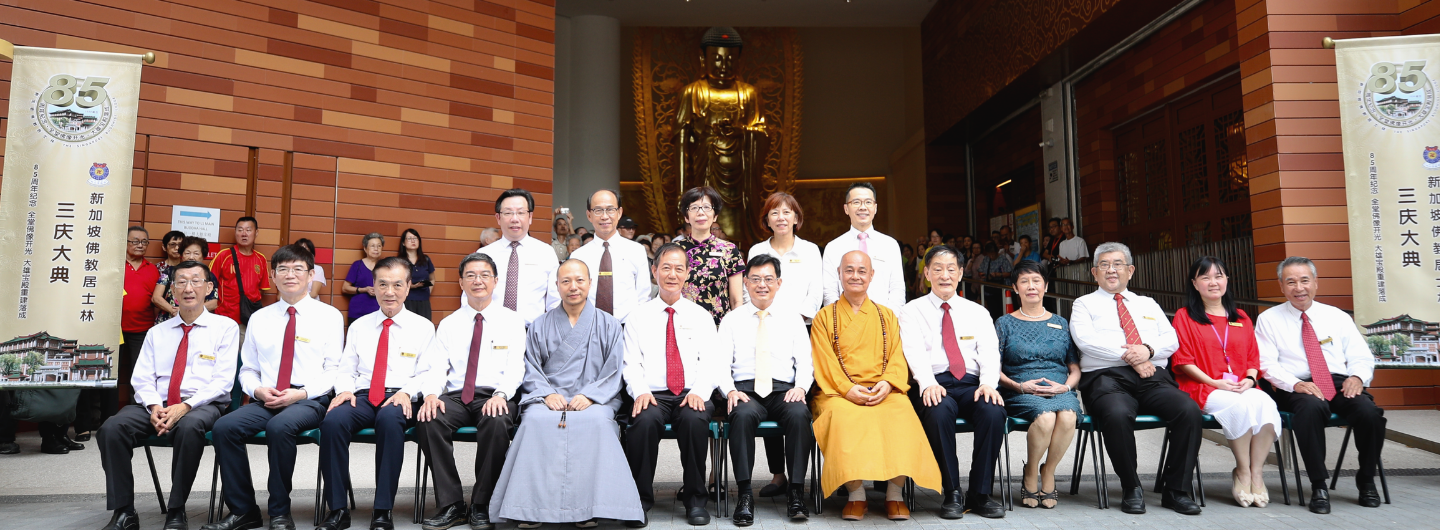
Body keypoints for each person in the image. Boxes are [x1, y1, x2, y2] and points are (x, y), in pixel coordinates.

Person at [488, 259, 644, 527]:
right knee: (535, 421)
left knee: (596, 422)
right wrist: (546, 394)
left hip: (594, 399)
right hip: (548, 398)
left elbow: (613, 369)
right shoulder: (540, 324)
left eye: (580, 280)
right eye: (566, 281)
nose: (574, 286)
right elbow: (531, 366)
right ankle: (530, 508)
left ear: (590, 283)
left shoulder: (608, 324)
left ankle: (589, 509)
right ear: (557, 286)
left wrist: (592, 395)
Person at [203, 245, 344, 530]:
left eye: (298, 269)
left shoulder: (329, 316)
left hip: (309, 399)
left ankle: (280, 511)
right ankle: (244, 510)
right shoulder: (260, 318)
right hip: (267, 398)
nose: (290, 275)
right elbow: (249, 369)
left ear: (311, 274)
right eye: (283, 269)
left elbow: (334, 370)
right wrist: (257, 391)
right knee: (224, 428)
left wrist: (301, 393)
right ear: (272, 276)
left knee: (281, 427)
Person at [96, 260, 238, 530]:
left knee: (190, 427)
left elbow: (222, 381)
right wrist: (153, 407)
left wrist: (185, 406)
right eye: (181, 281)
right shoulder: (156, 333)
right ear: (171, 289)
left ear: (208, 288)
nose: (188, 288)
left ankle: (176, 510)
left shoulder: (225, 328)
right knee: (111, 428)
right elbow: (141, 378)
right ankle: (124, 512)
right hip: (156, 405)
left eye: (196, 281)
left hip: (201, 404)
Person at [1069, 242, 1202, 515]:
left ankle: (1176, 490)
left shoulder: (1147, 304)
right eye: (1104, 265)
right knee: (1116, 414)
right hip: (1106, 379)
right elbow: (1086, 342)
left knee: (1187, 410)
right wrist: (1133, 356)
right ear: (1094, 273)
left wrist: (1148, 351)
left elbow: (1171, 339)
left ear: (1130, 270)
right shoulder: (1083, 304)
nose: (1111, 270)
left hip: (1152, 376)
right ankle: (1131, 486)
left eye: (1117, 264)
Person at [810, 251, 940, 522]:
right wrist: (847, 389)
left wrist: (888, 382)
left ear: (871, 276)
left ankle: (895, 493)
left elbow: (896, 356)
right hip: (839, 391)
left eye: (861, 271)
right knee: (842, 417)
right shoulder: (824, 317)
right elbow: (824, 361)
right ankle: (856, 494)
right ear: (839, 274)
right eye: (849, 270)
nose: (855, 276)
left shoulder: (886, 316)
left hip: (884, 389)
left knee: (902, 413)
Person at [1256, 256, 1383, 514]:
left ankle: (1367, 479)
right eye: (1290, 282)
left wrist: (1357, 377)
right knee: (1311, 409)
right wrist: (1295, 384)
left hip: (1337, 382)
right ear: (1281, 286)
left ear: (1316, 282)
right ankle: (1318, 485)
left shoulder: (1336, 316)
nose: (1298, 288)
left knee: (1369, 413)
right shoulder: (1268, 319)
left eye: (1304, 280)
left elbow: (1361, 355)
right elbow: (1266, 364)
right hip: (1295, 385)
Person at [317, 257, 436, 530]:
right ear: (374, 286)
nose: (389, 291)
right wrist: (345, 391)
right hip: (362, 395)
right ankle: (337, 509)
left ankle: (382, 510)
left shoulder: (423, 327)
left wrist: (407, 393)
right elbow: (346, 368)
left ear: (408, 287)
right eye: (382, 284)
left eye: (397, 284)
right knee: (332, 422)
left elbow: (428, 372)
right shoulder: (360, 326)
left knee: (389, 420)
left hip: (400, 397)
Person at [415, 253, 527, 530]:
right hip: (455, 396)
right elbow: (437, 367)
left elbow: (516, 367)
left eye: (484, 275)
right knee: (428, 417)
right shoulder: (450, 323)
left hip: (495, 394)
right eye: (471, 276)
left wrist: (501, 395)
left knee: (498, 420)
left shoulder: (512, 321)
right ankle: (452, 504)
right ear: (461, 282)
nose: (478, 281)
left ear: (496, 281)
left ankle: (482, 503)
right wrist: (430, 394)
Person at [899, 245, 1006, 519]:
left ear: (960, 273)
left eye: (950, 269)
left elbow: (989, 352)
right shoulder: (912, 311)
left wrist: (988, 384)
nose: (944, 275)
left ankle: (980, 493)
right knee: (938, 411)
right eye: (937, 269)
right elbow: (913, 353)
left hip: (972, 383)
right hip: (935, 382)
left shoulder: (978, 311)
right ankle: (952, 492)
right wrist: (927, 383)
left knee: (993, 411)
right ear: (926, 274)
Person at [623, 243, 721, 526]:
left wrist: (701, 393)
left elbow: (711, 362)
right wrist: (640, 391)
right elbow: (631, 363)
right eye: (666, 267)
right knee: (643, 422)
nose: (672, 274)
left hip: (691, 392)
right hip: (652, 393)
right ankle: (638, 501)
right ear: (654, 271)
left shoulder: (701, 315)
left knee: (694, 420)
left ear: (687, 274)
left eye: (679, 268)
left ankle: (694, 501)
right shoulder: (638, 316)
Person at [1171, 256, 1280, 508]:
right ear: (1194, 283)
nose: (1213, 282)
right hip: (1203, 386)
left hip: (1242, 384)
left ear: (1227, 280)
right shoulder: (1185, 316)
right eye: (1205, 277)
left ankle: (1256, 473)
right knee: (1239, 407)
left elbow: (1254, 356)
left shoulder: (1240, 316)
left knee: (1265, 405)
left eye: (1218, 276)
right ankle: (1242, 471)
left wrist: (1251, 380)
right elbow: (1183, 359)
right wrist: (1214, 382)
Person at [715, 255, 815, 524]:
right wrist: (730, 391)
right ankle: (745, 494)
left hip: (784, 390)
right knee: (742, 414)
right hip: (745, 390)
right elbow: (720, 364)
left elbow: (806, 361)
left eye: (768, 279)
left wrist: (802, 387)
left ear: (779, 283)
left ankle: (795, 492)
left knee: (798, 415)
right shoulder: (732, 320)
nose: (762, 285)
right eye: (756, 279)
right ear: (745, 282)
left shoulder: (792, 319)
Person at [996, 260, 1080, 509]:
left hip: (1058, 389)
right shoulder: (1004, 323)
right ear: (1015, 287)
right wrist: (1018, 386)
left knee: (1067, 417)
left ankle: (1049, 471)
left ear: (1045, 286)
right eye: (1024, 281)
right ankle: (1031, 471)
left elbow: (1074, 368)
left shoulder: (1061, 323)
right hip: (1019, 390)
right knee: (1045, 418)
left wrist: (1065, 387)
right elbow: (994, 368)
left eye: (1036, 281)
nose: (1031, 286)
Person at [478, 188, 562, 327]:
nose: (514, 219)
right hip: (490, 331)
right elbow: (470, 297)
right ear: (498, 218)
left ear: (530, 217)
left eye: (521, 212)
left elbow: (556, 300)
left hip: (532, 334)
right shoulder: (484, 255)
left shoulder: (546, 252)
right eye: (508, 213)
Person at [569, 189, 652, 323]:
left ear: (619, 213)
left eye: (610, 210)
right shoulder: (578, 256)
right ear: (589, 215)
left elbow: (643, 296)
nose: (604, 216)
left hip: (626, 329)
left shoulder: (636, 251)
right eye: (598, 210)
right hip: (588, 328)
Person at [821, 183, 905, 310]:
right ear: (846, 209)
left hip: (883, 322)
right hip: (845, 323)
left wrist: (888, 320)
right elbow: (829, 291)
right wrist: (840, 319)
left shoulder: (890, 245)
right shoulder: (833, 247)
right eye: (856, 202)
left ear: (875, 208)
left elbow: (897, 289)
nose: (863, 207)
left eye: (868, 202)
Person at [675, 186, 745, 324]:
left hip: (719, 326)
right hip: (683, 324)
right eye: (694, 208)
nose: (701, 212)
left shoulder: (729, 249)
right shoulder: (675, 250)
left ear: (715, 215)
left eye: (706, 207)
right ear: (686, 217)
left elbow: (736, 300)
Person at [748, 192, 822, 323]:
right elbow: (748, 288)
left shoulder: (810, 250)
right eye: (775, 213)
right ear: (767, 221)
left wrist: (798, 319)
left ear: (796, 219)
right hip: (762, 323)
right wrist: (759, 316)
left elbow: (816, 292)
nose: (781, 218)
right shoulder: (757, 251)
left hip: (800, 325)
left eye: (786, 212)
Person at [211, 217, 272, 337]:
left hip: (249, 319)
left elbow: (261, 290)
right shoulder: (223, 256)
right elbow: (209, 283)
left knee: (246, 355)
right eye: (240, 230)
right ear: (235, 233)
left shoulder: (261, 259)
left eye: (248, 230)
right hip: (224, 318)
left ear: (256, 233)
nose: (244, 234)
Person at [122, 227, 161, 398]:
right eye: (135, 241)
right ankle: (102, 419)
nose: (140, 245)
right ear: (125, 242)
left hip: (143, 330)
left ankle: (135, 413)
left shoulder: (152, 269)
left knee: (139, 375)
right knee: (110, 374)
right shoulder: (114, 266)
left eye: (144, 242)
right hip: (115, 330)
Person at [156, 237, 220, 318]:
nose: (191, 257)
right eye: (187, 253)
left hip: (197, 319)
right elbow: (156, 297)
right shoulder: (170, 271)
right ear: (181, 255)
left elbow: (214, 303)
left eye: (196, 253)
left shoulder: (209, 275)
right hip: (169, 318)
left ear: (203, 256)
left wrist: (188, 310)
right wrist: (174, 310)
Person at [342, 232, 385, 324]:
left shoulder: (386, 266)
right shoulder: (357, 265)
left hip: (380, 311)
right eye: (372, 246)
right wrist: (364, 290)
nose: (376, 249)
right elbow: (345, 288)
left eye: (379, 246)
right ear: (365, 248)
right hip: (358, 311)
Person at [400, 228, 436, 321]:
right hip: (407, 300)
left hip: (424, 301)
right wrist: (410, 286)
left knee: (424, 329)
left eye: (415, 238)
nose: (413, 241)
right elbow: (396, 281)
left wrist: (428, 291)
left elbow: (432, 279)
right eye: (409, 238)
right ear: (403, 243)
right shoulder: (400, 261)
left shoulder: (426, 259)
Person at [151, 230, 186, 325]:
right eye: (172, 244)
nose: (177, 248)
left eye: (180, 244)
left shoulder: (188, 269)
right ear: (164, 247)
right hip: (160, 315)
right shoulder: (156, 268)